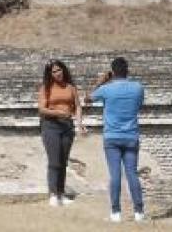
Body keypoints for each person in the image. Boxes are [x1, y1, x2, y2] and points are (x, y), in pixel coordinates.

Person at [90, 57, 145, 223]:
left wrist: (100, 82)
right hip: (131, 136)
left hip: (112, 137)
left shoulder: (106, 89)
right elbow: (139, 106)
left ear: (112, 72)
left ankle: (115, 213)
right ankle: (139, 212)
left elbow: (87, 98)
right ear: (128, 70)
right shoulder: (138, 88)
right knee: (132, 174)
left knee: (115, 175)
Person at [37, 59, 85, 207]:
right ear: (50, 74)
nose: (57, 73)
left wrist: (79, 123)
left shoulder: (71, 88)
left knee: (63, 162)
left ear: (63, 70)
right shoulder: (46, 88)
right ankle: (53, 194)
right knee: (54, 161)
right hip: (51, 125)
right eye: (54, 71)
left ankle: (61, 194)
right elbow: (41, 109)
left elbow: (77, 106)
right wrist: (58, 112)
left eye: (59, 70)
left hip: (67, 126)